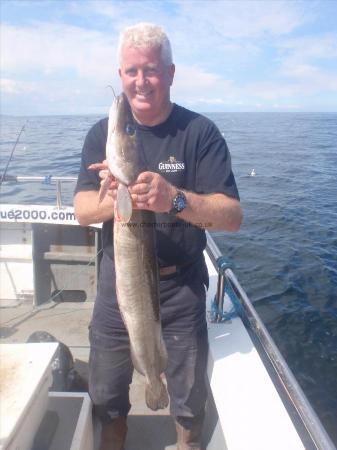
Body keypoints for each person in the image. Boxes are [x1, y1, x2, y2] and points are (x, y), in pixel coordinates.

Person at [74, 22, 242, 450]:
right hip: (120, 286)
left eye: (150, 70)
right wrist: (117, 197)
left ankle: (186, 440)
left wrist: (174, 200)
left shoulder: (200, 133)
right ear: (121, 73)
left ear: (170, 73)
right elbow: (80, 212)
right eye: (131, 71)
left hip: (182, 287)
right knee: (108, 397)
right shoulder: (100, 135)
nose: (139, 81)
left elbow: (232, 216)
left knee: (188, 401)